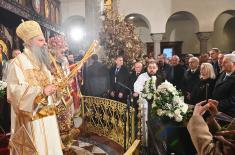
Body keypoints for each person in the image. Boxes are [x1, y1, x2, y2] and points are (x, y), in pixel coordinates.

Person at [7, 20, 62, 154]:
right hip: (32, 120)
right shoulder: (17, 63)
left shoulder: (43, 64)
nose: (45, 43)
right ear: (30, 42)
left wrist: (57, 87)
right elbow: (14, 92)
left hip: (48, 117)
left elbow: (50, 88)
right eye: (41, 40)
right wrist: (40, 91)